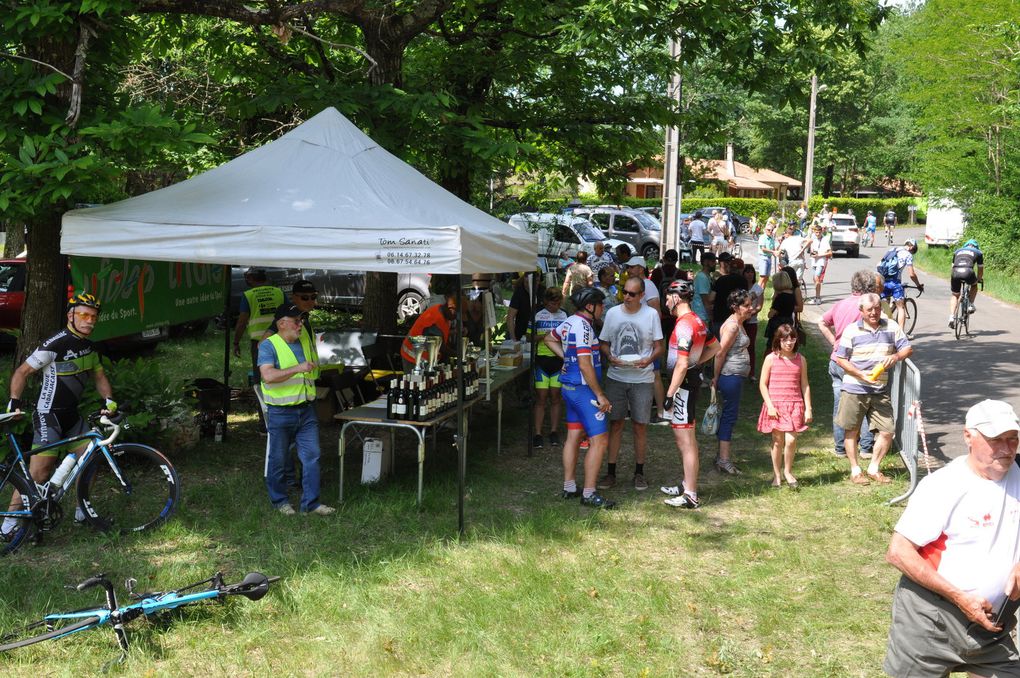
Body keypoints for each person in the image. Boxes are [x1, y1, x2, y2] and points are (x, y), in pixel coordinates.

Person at [884, 399, 1020, 678]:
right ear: (968, 436)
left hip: (992, 627)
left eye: (1013, 439)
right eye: (996, 440)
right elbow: (898, 552)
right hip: (930, 623)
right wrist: (960, 597)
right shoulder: (944, 485)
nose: (1006, 450)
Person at [2, 292, 116, 536]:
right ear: (70, 316)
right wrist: (14, 401)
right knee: (39, 472)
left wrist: (109, 400)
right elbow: (22, 372)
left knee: (91, 458)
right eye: (84, 315)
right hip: (48, 415)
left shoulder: (89, 347)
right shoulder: (55, 343)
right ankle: (9, 523)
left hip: (72, 415)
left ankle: (82, 511)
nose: (89, 321)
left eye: (94, 317)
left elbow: (99, 376)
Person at [259, 303, 334, 516]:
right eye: (296, 321)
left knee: (312, 456)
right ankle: (280, 501)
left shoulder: (303, 340)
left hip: (306, 409)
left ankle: (311, 504)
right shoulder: (268, 345)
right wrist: (298, 369)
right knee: (279, 459)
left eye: (301, 320)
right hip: (281, 412)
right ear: (282, 324)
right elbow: (268, 376)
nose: (301, 325)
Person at [545, 287, 615, 509]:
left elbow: (549, 339)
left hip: (569, 387)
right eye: (601, 304)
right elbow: (585, 364)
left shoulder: (569, 321)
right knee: (600, 439)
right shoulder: (583, 327)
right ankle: (589, 493)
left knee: (574, 435)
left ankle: (569, 487)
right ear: (590, 306)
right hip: (584, 390)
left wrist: (567, 358)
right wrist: (600, 394)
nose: (603, 308)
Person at [834, 293, 913, 485]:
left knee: (887, 430)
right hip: (854, 388)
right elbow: (840, 358)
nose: (874, 312)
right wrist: (860, 374)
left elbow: (907, 348)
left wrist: (895, 358)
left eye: (877, 308)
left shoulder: (891, 327)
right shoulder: (852, 330)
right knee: (851, 431)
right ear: (861, 311)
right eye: (869, 309)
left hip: (879, 389)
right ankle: (855, 470)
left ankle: (874, 468)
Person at [597, 276, 664, 492]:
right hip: (616, 376)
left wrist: (649, 360)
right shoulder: (613, 313)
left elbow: (659, 346)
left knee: (639, 426)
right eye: (624, 292)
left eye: (632, 294)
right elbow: (604, 343)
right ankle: (611, 472)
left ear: (642, 296)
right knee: (615, 423)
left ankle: (639, 472)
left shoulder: (651, 315)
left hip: (642, 378)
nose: (626, 296)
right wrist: (609, 356)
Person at [660, 280, 720, 509]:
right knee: (686, 439)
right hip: (688, 382)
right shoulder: (697, 320)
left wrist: (669, 393)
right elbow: (715, 347)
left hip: (683, 386)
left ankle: (691, 495)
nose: (666, 301)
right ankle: (687, 484)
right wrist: (698, 362)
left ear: (676, 298)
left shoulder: (685, 325)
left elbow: (682, 363)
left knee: (685, 441)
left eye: (668, 297)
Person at [817, 270, 882, 459]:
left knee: (840, 405)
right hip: (857, 362)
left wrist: (834, 343)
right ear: (870, 287)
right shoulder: (868, 307)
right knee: (864, 403)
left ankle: (840, 448)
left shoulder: (840, 304)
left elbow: (821, 321)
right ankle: (865, 447)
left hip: (837, 360)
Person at [757, 324, 812, 489]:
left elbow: (805, 385)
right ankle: (777, 475)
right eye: (785, 339)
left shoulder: (800, 359)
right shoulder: (771, 358)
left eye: (792, 339)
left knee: (791, 439)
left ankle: (788, 472)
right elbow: (762, 384)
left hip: (795, 404)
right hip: (776, 405)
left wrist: (808, 407)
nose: (789, 342)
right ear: (778, 340)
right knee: (777, 440)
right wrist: (770, 405)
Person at [712, 289, 755, 476]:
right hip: (730, 376)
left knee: (728, 416)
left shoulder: (738, 322)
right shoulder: (732, 327)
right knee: (729, 417)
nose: (750, 308)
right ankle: (724, 460)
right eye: (746, 305)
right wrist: (715, 377)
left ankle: (721, 456)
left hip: (735, 376)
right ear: (735, 307)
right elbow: (720, 353)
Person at [532, 288, 567, 450]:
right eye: (553, 303)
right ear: (546, 302)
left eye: (558, 302)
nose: (556, 306)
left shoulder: (564, 315)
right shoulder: (538, 315)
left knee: (555, 397)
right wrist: (545, 336)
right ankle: (537, 433)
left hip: (558, 361)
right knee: (541, 398)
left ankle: (553, 431)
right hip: (542, 361)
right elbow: (529, 337)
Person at [234, 268, 285, 375]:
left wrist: (236, 343)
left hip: (259, 342)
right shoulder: (279, 292)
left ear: (251, 278)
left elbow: (242, 322)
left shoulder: (249, 295)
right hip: (280, 339)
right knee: (281, 371)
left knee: (261, 374)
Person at [400, 292, 457, 374]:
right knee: (416, 384)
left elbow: (443, 337)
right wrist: (458, 354)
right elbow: (441, 346)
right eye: (456, 315)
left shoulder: (444, 315)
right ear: (451, 309)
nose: (455, 318)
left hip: (424, 359)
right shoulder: (434, 319)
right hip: (413, 358)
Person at [878, 238, 924, 334]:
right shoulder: (908, 255)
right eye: (913, 250)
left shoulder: (892, 250)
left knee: (884, 306)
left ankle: (882, 330)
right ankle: (901, 334)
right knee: (900, 307)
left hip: (883, 281)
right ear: (911, 247)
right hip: (895, 283)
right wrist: (918, 285)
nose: (912, 252)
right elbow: (912, 274)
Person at [948, 238, 984, 329]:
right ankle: (971, 305)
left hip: (955, 272)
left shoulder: (957, 251)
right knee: (974, 285)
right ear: (976, 246)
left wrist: (954, 277)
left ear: (965, 246)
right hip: (968, 272)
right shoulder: (978, 252)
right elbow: (980, 269)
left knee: (955, 295)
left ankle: (951, 317)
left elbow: (952, 267)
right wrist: (979, 279)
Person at [710, 253, 748, 338]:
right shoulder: (743, 281)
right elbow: (745, 299)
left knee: (718, 346)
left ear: (730, 268)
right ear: (741, 269)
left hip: (719, 316)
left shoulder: (721, 279)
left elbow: (711, 298)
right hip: (735, 317)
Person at [763, 270, 796, 356]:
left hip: (777, 324)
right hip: (788, 321)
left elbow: (770, 314)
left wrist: (774, 299)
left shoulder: (780, 297)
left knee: (772, 344)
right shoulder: (791, 295)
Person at [742, 263, 763, 379]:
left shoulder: (758, 288)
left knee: (750, 347)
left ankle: (751, 372)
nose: (749, 274)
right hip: (741, 322)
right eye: (747, 272)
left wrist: (750, 313)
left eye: (751, 272)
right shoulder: (741, 287)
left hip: (751, 322)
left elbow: (759, 306)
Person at [806, 222, 832, 305]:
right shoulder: (813, 239)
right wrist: (812, 254)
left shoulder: (825, 240)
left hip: (820, 262)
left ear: (821, 232)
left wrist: (819, 255)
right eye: (816, 232)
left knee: (817, 278)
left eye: (819, 232)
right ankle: (816, 297)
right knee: (815, 280)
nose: (817, 234)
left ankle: (818, 298)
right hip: (813, 262)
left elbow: (830, 253)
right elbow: (810, 250)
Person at [503, 272, 534, 342]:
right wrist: (513, 339)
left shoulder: (542, 291)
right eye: (526, 283)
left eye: (531, 283)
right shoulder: (519, 293)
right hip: (521, 334)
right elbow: (510, 317)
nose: (528, 285)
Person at [692, 252, 716, 326]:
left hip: (704, 316)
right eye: (713, 261)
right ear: (706, 262)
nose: (715, 264)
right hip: (701, 317)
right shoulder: (702, 277)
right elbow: (706, 301)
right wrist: (711, 316)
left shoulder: (708, 276)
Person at [756, 220, 778, 288]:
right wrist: (773, 252)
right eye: (768, 230)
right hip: (763, 257)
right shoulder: (762, 237)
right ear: (765, 230)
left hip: (769, 258)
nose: (770, 231)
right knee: (762, 277)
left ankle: (761, 293)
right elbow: (763, 249)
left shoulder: (771, 238)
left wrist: (777, 253)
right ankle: (755, 294)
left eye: (771, 230)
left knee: (766, 278)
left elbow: (774, 249)